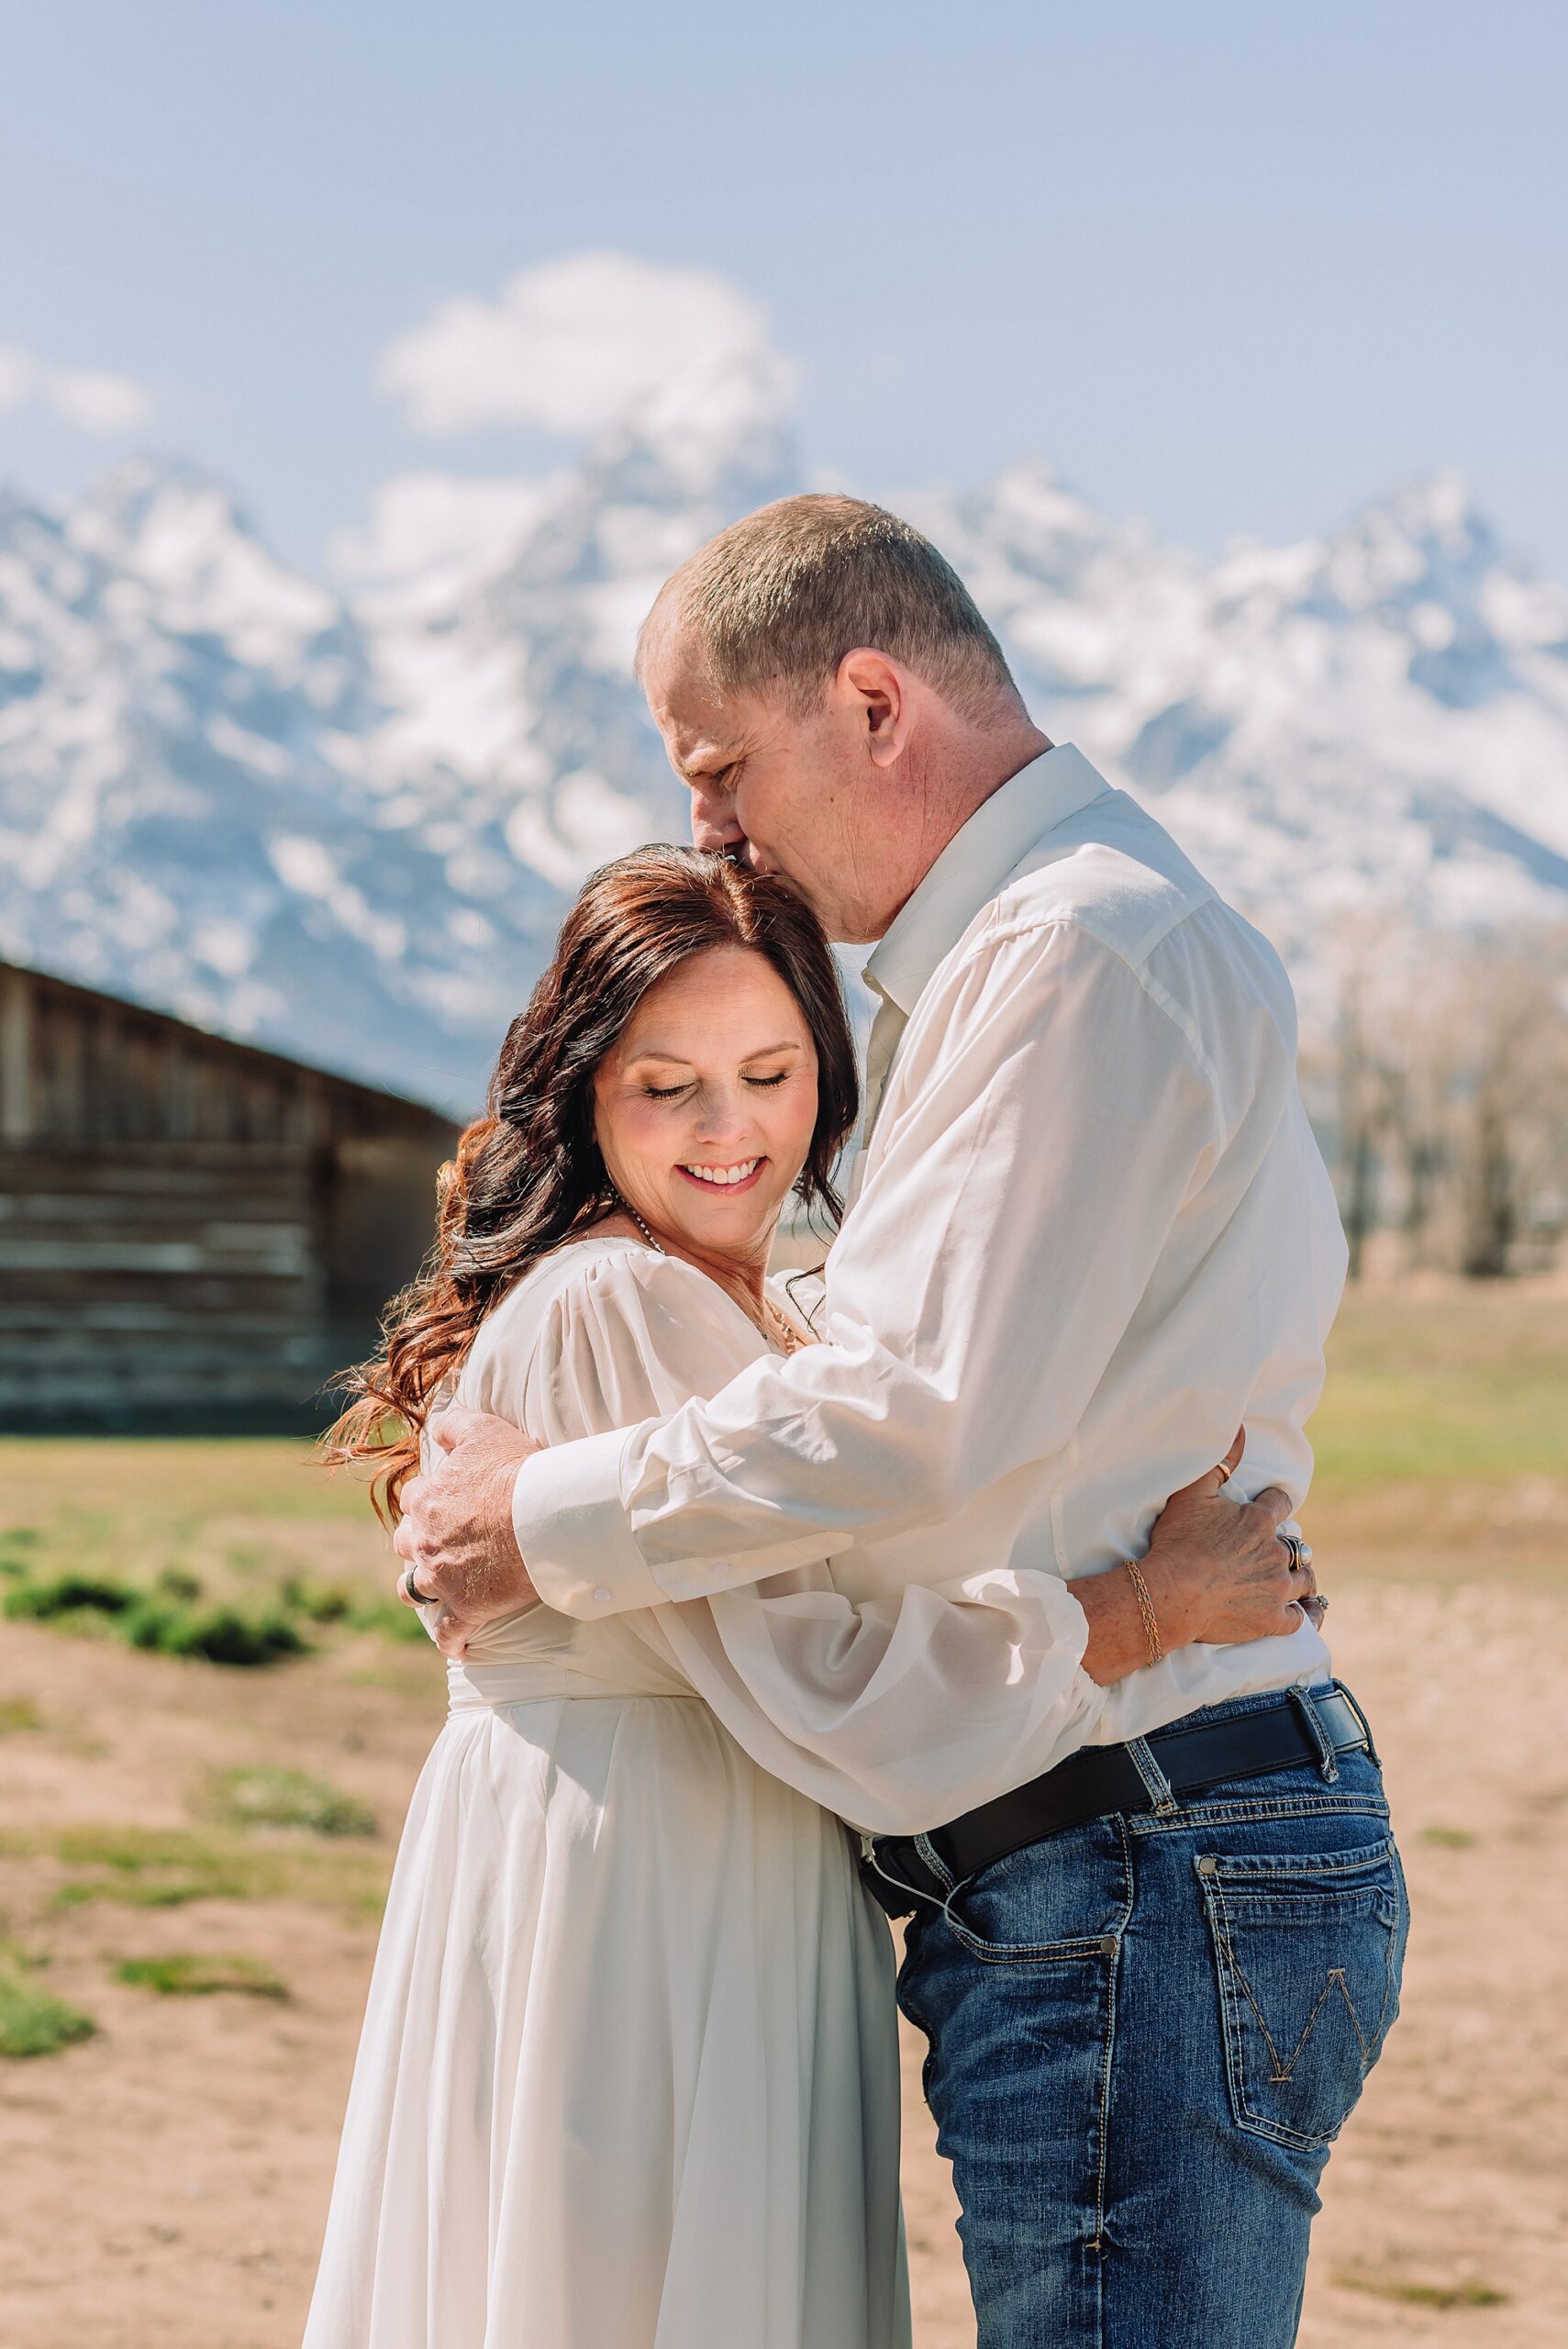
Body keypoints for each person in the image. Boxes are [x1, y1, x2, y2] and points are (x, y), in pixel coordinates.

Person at [396, 496, 1408, 2348]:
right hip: (1121, 1843)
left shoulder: (1070, 950)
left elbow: (909, 1411)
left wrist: (539, 1515)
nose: (710, 824)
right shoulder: (1068, 940)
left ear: (873, 704)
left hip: (1137, 1840)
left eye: (717, 766)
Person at [306, 845, 1310, 2349]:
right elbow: (828, 1679)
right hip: (650, 1898)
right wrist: (1146, 1610)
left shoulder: (748, 1310)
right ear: (582, 1093)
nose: (731, 1131)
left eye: (770, 1076)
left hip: (671, 1865)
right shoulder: (618, 1298)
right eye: (668, 1087)